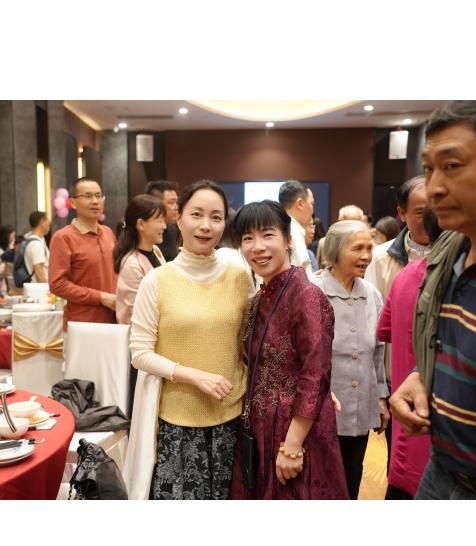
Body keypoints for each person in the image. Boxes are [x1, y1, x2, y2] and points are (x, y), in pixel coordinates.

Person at [390, 100, 476, 499]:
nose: (435, 187)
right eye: (428, 169)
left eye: (452, 166)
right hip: (442, 470)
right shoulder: (452, 252)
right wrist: (423, 376)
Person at [130, 179, 251, 500]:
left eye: (216, 217)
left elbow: (249, 344)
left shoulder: (241, 278)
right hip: (177, 423)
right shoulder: (156, 281)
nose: (206, 225)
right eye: (196, 214)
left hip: (232, 419)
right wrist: (195, 376)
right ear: (178, 217)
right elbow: (139, 353)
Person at [229, 200, 348, 500]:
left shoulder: (307, 296)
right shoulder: (258, 300)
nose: (257, 247)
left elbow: (315, 376)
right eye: (248, 238)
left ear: (288, 240)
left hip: (295, 431)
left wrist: (293, 446)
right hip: (261, 427)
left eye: (267, 235)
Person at [310, 220, 390, 499]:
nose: (366, 256)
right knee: (320, 483)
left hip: (360, 405)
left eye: (369, 248)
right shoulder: (312, 290)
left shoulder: (371, 294)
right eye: (357, 249)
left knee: (352, 478)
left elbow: (377, 351)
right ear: (335, 251)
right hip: (319, 410)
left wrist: (381, 397)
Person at [376, 207, 442, 499]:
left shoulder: (404, 277)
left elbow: (384, 331)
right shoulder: (455, 283)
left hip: (406, 433)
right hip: (438, 442)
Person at [49, 177, 117, 329]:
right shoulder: (63, 237)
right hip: (82, 324)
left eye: (98, 196)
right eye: (88, 196)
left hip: (114, 320)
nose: (95, 201)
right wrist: (100, 297)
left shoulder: (108, 232)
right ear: (73, 203)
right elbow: (57, 284)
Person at [365, 177, 431, 301]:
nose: (430, 219)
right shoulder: (381, 257)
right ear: (402, 213)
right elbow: (372, 306)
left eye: (435, 211)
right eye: (420, 212)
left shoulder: (456, 255)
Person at [114, 194, 167, 325]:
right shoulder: (132, 264)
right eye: (159, 220)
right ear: (141, 224)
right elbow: (136, 313)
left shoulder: (156, 250)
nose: (164, 226)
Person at [277, 180, 314, 273]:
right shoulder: (293, 232)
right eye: (312, 204)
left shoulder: (277, 227)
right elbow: (298, 276)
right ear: (300, 204)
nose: (312, 210)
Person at [145, 180, 180, 262]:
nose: (176, 207)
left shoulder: (172, 229)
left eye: (177, 202)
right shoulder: (145, 232)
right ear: (155, 203)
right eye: (171, 202)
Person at [24, 211, 51, 284]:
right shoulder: (36, 244)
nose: (49, 224)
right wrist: (46, 287)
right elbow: (39, 271)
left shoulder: (33, 241)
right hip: (40, 288)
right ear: (42, 222)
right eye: (47, 221)